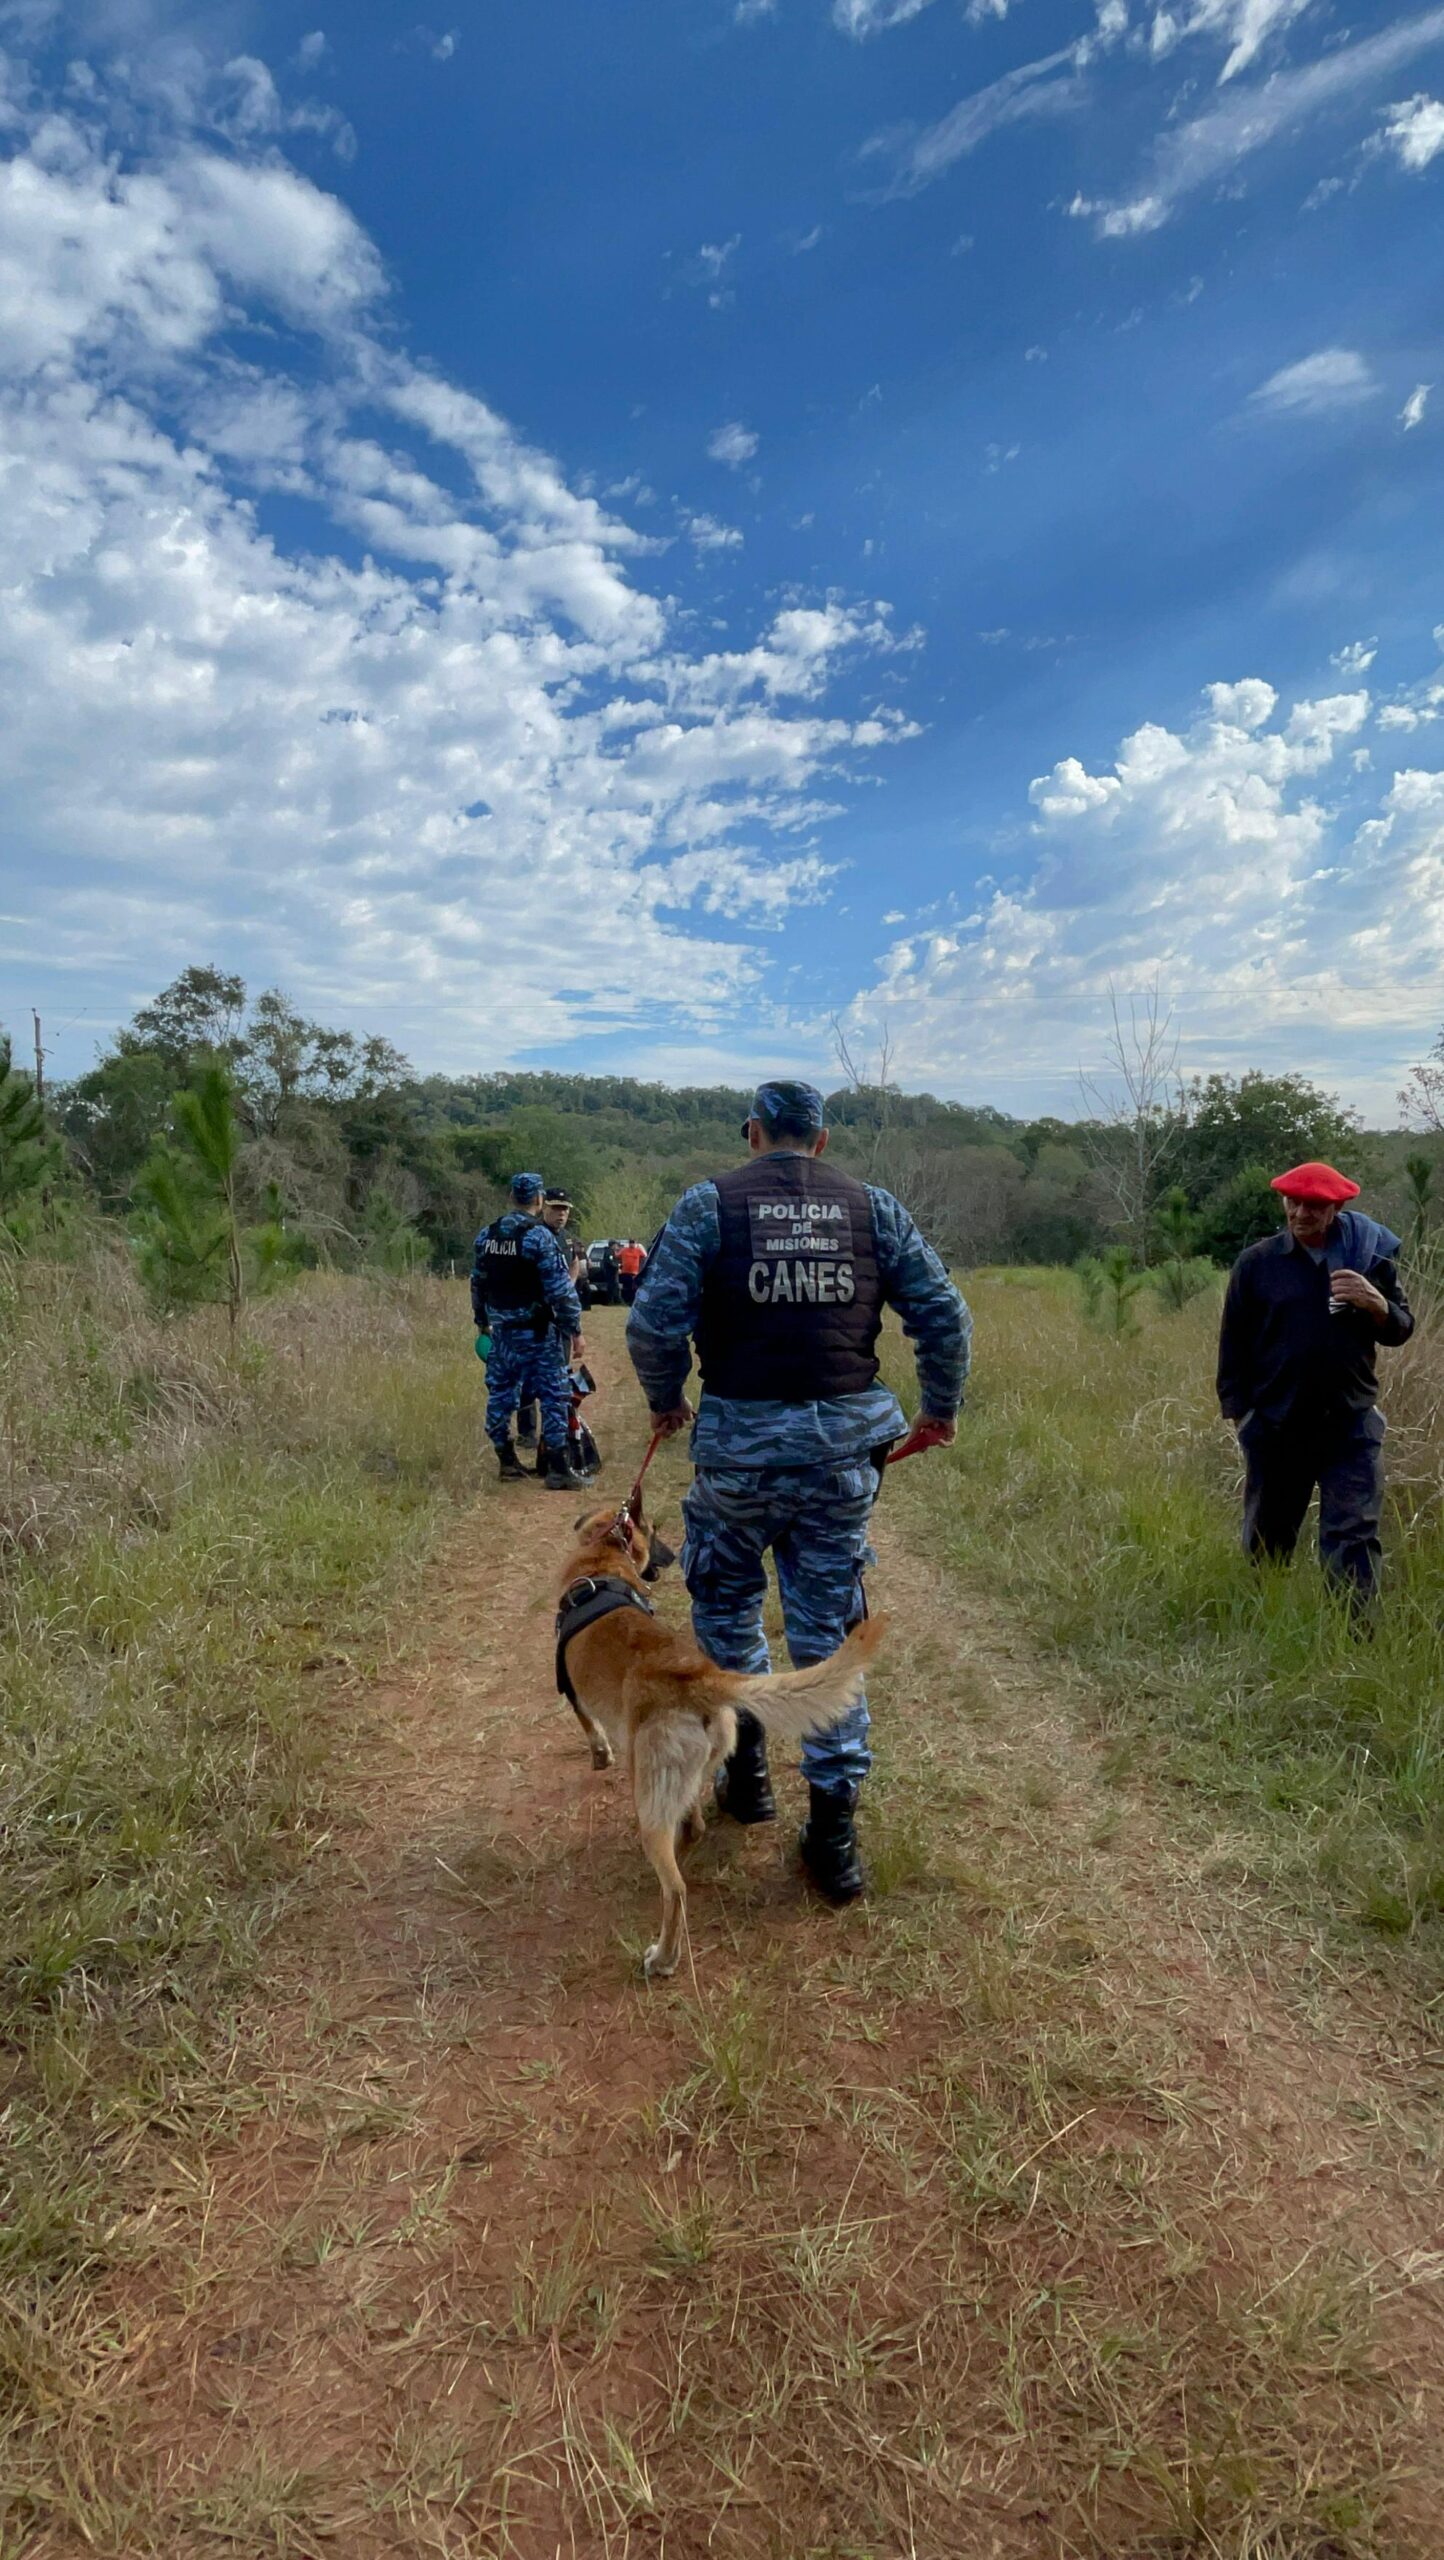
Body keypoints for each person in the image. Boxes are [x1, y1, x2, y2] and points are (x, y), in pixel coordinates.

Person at [626, 1078, 970, 1903]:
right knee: (825, 1637)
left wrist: (667, 1399)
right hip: (840, 1463)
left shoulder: (709, 1206)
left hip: (738, 1460)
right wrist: (940, 1408)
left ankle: (746, 1777)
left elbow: (652, 1324)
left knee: (726, 1605)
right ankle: (833, 1839)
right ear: (820, 1140)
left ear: (753, 1133)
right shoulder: (873, 1208)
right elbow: (945, 1316)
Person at [1216, 1160, 1415, 1605]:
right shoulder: (1258, 1264)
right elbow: (1233, 1346)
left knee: (1353, 1537)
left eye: (1315, 1206)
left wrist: (1376, 1302)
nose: (1301, 1213)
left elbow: (1401, 1329)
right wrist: (1243, 1417)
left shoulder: (1370, 1259)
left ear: (1336, 1208)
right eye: (1294, 1202)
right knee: (1268, 1537)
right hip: (1277, 1423)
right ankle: (1262, 1621)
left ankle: (1352, 1636)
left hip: (1351, 1423)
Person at [471, 1171, 586, 1490]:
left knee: (500, 1394)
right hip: (537, 1334)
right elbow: (561, 1292)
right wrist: (575, 1329)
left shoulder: (487, 1235)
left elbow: (478, 1283)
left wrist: (482, 1323)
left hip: (501, 1334)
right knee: (554, 1394)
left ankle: (506, 1460)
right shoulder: (539, 1238)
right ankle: (558, 1467)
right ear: (539, 1199)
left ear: (511, 1197)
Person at [517, 1189, 585, 1452]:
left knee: (558, 1377)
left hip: (559, 1321)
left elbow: (575, 1263)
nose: (561, 1214)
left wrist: (568, 1285)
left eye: (565, 1209)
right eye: (556, 1208)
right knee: (528, 1377)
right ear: (544, 1207)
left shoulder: (567, 1239)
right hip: (533, 1319)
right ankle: (527, 1432)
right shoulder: (532, 1235)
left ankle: (553, 1432)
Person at [618, 1237, 646, 1305]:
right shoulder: (624, 1250)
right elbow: (617, 1256)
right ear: (629, 1243)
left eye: (633, 1242)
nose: (632, 1244)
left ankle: (632, 1301)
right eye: (631, 1242)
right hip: (625, 1272)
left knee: (633, 1288)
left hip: (634, 1273)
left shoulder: (638, 1250)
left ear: (635, 1243)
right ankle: (626, 1300)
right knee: (626, 1287)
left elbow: (644, 1256)